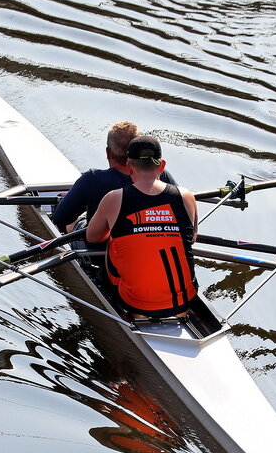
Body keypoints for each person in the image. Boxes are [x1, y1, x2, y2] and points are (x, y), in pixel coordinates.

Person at [85, 135, 198, 318]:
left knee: (114, 243)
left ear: (129, 168)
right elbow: (191, 238)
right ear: (162, 166)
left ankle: (135, 301)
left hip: (132, 302)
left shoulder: (114, 198)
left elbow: (93, 238)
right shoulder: (186, 196)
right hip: (184, 300)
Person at [50, 121, 176, 233]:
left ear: (108, 152)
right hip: (149, 245)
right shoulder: (161, 175)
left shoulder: (92, 179)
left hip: (99, 252)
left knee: (67, 213)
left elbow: (60, 219)